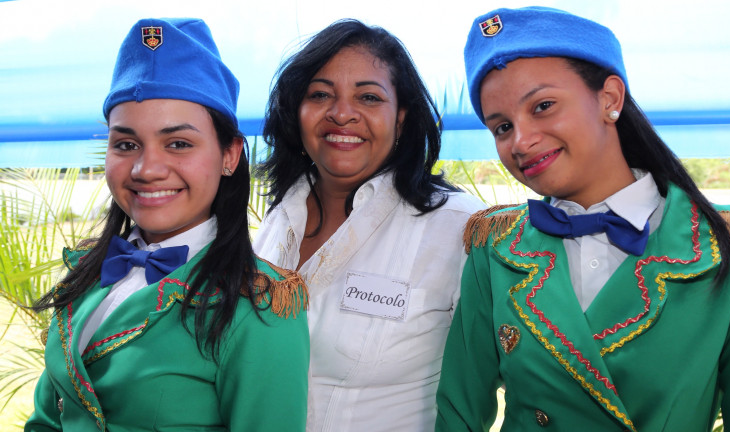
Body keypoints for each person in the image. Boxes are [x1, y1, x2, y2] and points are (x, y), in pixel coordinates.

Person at [436, 6, 730, 432]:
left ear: (609, 98)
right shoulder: (495, 249)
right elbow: (458, 415)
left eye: (542, 106)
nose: (520, 141)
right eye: (501, 127)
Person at [25, 18, 309, 432]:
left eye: (178, 143)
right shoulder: (87, 271)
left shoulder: (260, 308)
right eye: (126, 144)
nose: (146, 169)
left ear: (230, 155)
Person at [252, 18, 485, 432]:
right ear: (296, 111)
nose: (342, 113)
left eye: (369, 97)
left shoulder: (458, 228)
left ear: (401, 119)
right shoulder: (277, 218)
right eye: (320, 94)